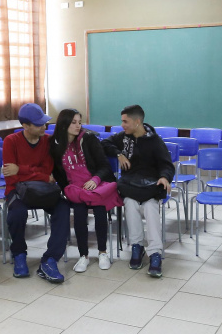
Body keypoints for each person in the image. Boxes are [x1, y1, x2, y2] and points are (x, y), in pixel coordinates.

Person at [102, 105, 174, 278]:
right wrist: (119, 154)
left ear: (137, 121)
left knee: (150, 207)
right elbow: (105, 143)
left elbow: (166, 164)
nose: (122, 125)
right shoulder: (123, 138)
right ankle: (137, 246)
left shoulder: (155, 141)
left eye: (125, 121)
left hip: (151, 186)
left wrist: (165, 177)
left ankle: (155, 252)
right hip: (130, 185)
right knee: (130, 203)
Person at [3, 103, 71, 283]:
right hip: (18, 191)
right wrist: (36, 173)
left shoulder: (47, 141)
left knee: (63, 208)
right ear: (25, 126)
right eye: (39, 124)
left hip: (43, 191)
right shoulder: (11, 141)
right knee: (17, 213)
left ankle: (50, 259)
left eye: (45, 122)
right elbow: (11, 178)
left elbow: (48, 173)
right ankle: (18, 254)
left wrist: (21, 169)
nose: (44, 127)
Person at [51, 109, 121, 272]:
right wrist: (66, 189)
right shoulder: (55, 144)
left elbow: (104, 166)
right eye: (73, 122)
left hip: (96, 185)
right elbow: (57, 172)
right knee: (79, 213)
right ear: (63, 124)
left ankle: (103, 252)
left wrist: (95, 179)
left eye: (79, 122)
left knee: (99, 209)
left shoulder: (89, 139)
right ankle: (83, 255)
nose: (78, 126)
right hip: (75, 189)